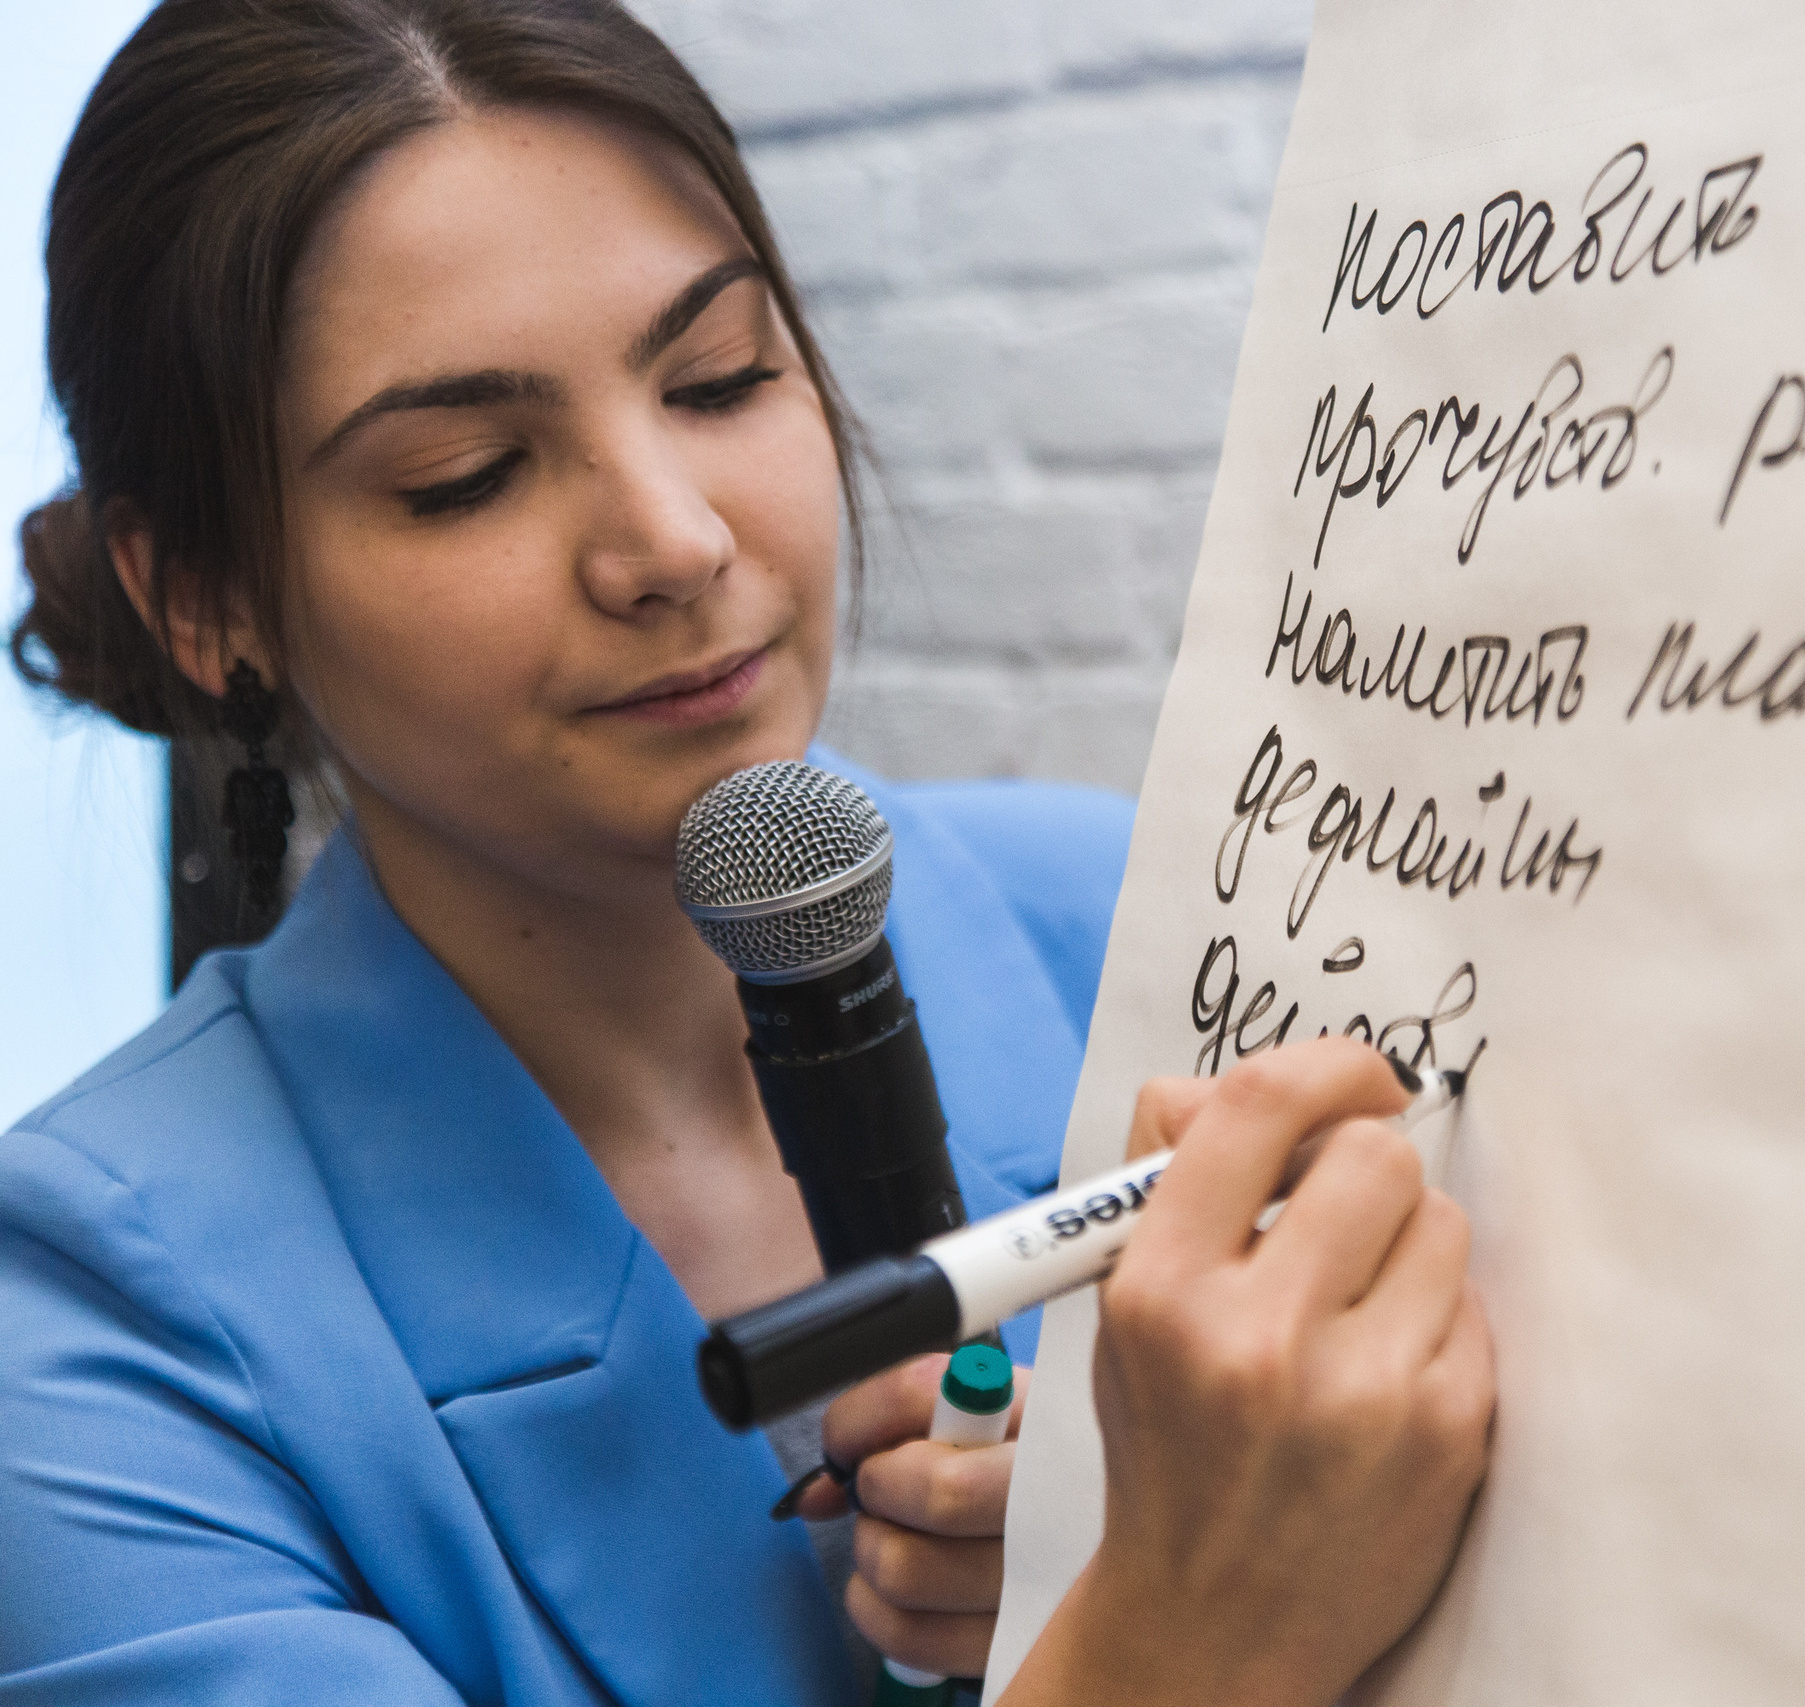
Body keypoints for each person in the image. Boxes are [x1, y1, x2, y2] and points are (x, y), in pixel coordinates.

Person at [0, 3, 1495, 1704]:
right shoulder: (90, 1333)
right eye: (465, 476)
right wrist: (1180, 1634)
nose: (678, 539)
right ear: (207, 600)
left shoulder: (1156, 917)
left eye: (720, 378)